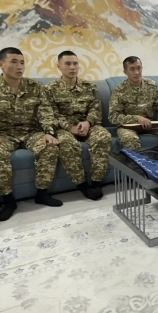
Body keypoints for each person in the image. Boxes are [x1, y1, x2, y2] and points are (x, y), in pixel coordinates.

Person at [0, 47, 62, 221]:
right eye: (14, 62)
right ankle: (8, 201)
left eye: (22, 62)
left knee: (50, 146)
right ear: (1, 65)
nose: (19, 67)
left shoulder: (35, 87)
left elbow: (46, 113)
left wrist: (49, 132)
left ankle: (42, 194)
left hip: (30, 132)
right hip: (3, 134)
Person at [45, 50, 111, 201]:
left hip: (87, 125)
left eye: (75, 63)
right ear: (59, 66)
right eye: (67, 64)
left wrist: (88, 122)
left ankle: (96, 182)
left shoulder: (89, 86)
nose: (72, 67)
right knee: (66, 143)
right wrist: (70, 127)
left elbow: (95, 108)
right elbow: (51, 114)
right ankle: (82, 185)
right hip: (64, 128)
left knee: (103, 136)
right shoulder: (49, 89)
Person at [108, 56, 158, 150]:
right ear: (125, 72)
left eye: (139, 68)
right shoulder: (119, 90)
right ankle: (137, 159)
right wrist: (136, 118)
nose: (137, 72)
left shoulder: (151, 85)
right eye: (132, 69)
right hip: (128, 127)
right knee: (129, 138)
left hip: (150, 124)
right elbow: (113, 117)